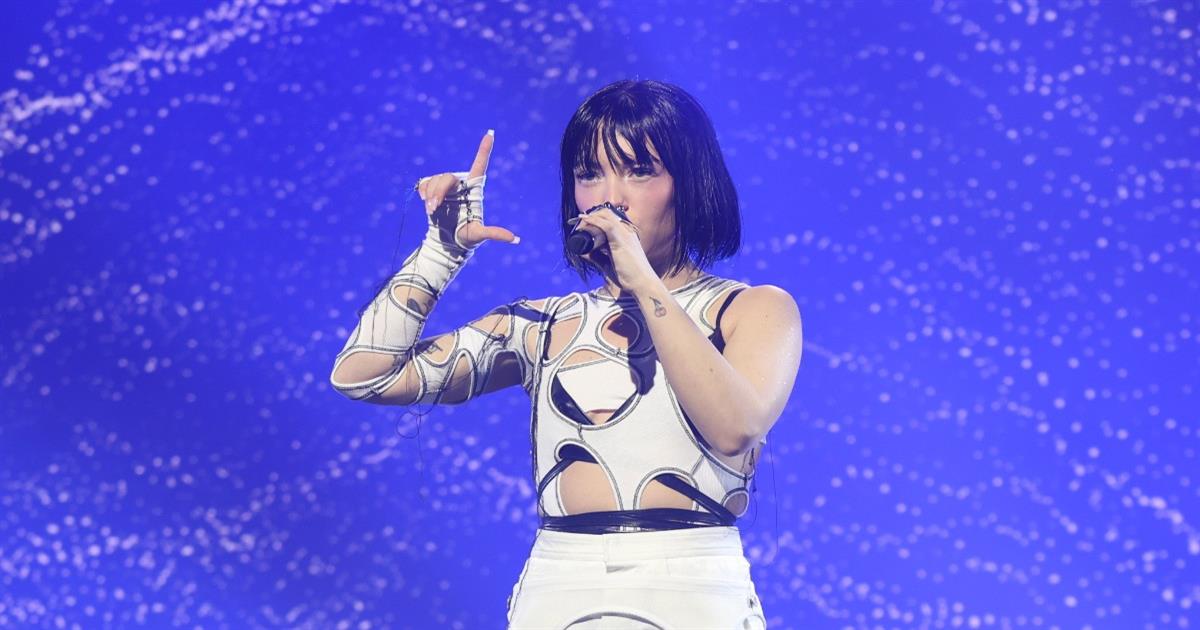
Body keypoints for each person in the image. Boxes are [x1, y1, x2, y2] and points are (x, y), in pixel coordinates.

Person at [329, 79, 803, 629]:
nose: (610, 197)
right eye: (589, 174)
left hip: (691, 582)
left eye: (639, 171)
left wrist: (641, 280)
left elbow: (734, 428)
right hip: (559, 583)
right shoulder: (542, 325)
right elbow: (363, 376)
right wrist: (442, 251)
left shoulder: (752, 309)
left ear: (691, 182)